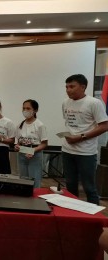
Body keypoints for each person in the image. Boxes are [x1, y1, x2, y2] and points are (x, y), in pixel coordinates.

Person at [62, 74, 108, 205]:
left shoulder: (94, 103)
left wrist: (80, 137)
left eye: (72, 86)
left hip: (86, 153)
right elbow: (69, 124)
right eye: (66, 87)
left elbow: (105, 126)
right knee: (70, 186)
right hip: (67, 150)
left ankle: (94, 220)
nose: (68, 89)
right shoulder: (65, 102)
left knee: (89, 187)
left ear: (83, 87)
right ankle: (73, 215)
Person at [14, 99, 48, 188]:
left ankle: (35, 200)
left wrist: (33, 150)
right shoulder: (20, 125)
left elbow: (44, 143)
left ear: (35, 110)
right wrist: (17, 146)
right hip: (22, 154)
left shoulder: (39, 125)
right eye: (23, 108)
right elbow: (17, 142)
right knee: (23, 180)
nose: (25, 111)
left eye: (28, 108)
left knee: (34, 181)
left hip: (35, 155)